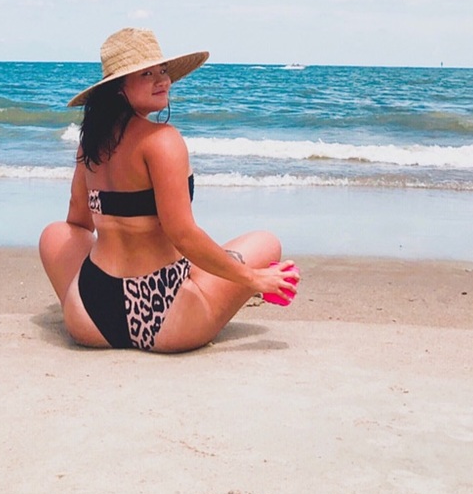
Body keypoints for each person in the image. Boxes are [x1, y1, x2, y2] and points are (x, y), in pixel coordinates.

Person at [39, 27, 299, 353]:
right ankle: (215, 284)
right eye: (147, 74)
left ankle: (85, 303)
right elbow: (183, 235)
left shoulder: (89, 143)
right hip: (162, 318)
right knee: (266, 243)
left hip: (90, 314)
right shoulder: (161, 140)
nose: (162, 80)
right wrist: (254, 280)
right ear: (118, 88)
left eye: (162, 71)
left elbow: (77, 223)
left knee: (55, 234)